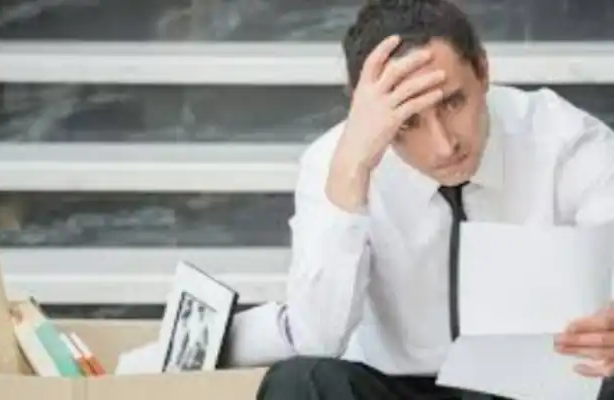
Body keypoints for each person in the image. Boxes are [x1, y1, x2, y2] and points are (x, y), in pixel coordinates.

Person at [255, 1, 614, 399]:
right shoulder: (334, 164)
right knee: (300, 383)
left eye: (453, 102)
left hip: (532, 382)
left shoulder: (565, 139)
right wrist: (352, 175)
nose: (443, 146)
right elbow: (316, 340)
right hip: (398, 386)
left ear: (483, 70)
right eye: (408, 121)